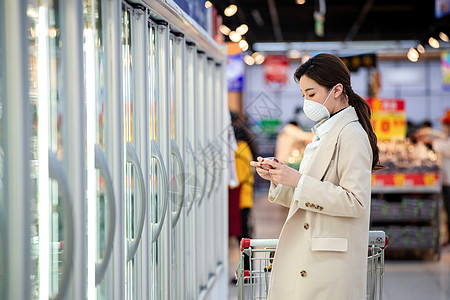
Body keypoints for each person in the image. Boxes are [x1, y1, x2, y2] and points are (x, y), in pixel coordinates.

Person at [250, 53, 382, 300]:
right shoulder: (325, 133)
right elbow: (307, 192)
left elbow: (356, 202)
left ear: (337, 90)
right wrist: (279, 177)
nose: (306, 102)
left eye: (311, 94)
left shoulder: (351, 135)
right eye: (303, 95)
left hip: (329, 263)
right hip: (313, 254)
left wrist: (298, 180)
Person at [415, 110, 450, 247]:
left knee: (449, 211)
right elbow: (437, 135)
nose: (443, 127)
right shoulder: (445, 136)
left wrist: (428, 139)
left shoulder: (446, 142)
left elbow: (440, 145)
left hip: (449, 182)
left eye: (445, 124)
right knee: (447, 211)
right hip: (445, 181)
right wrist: (424, 133)